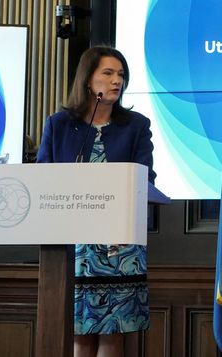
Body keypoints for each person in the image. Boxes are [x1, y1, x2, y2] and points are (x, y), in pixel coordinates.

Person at [37, 46, 156, 357]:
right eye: (108, 73)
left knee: (113, 332)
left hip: (120, 246)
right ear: (88, 80)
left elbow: (146, 180)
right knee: (80, 333)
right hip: (72, 248)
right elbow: (41, 181)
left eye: (121, 75)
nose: (117, 80)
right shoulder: (59, 125)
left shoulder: (136, 126)